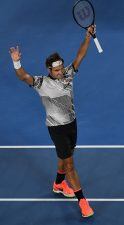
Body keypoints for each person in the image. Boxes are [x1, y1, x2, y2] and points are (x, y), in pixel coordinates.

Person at [9, 25, 96, 218]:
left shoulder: (68, 74)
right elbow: (23, 76)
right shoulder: (41, 83)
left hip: (72, 124)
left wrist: (87, 37)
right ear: (49, 69)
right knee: (70, 164)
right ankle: (82, 201)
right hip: (56, 128)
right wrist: (17, 62)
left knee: (64, 157)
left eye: (60, 68)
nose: (60, 72)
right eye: (56, 70)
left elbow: (80, 56)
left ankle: (58, 184)